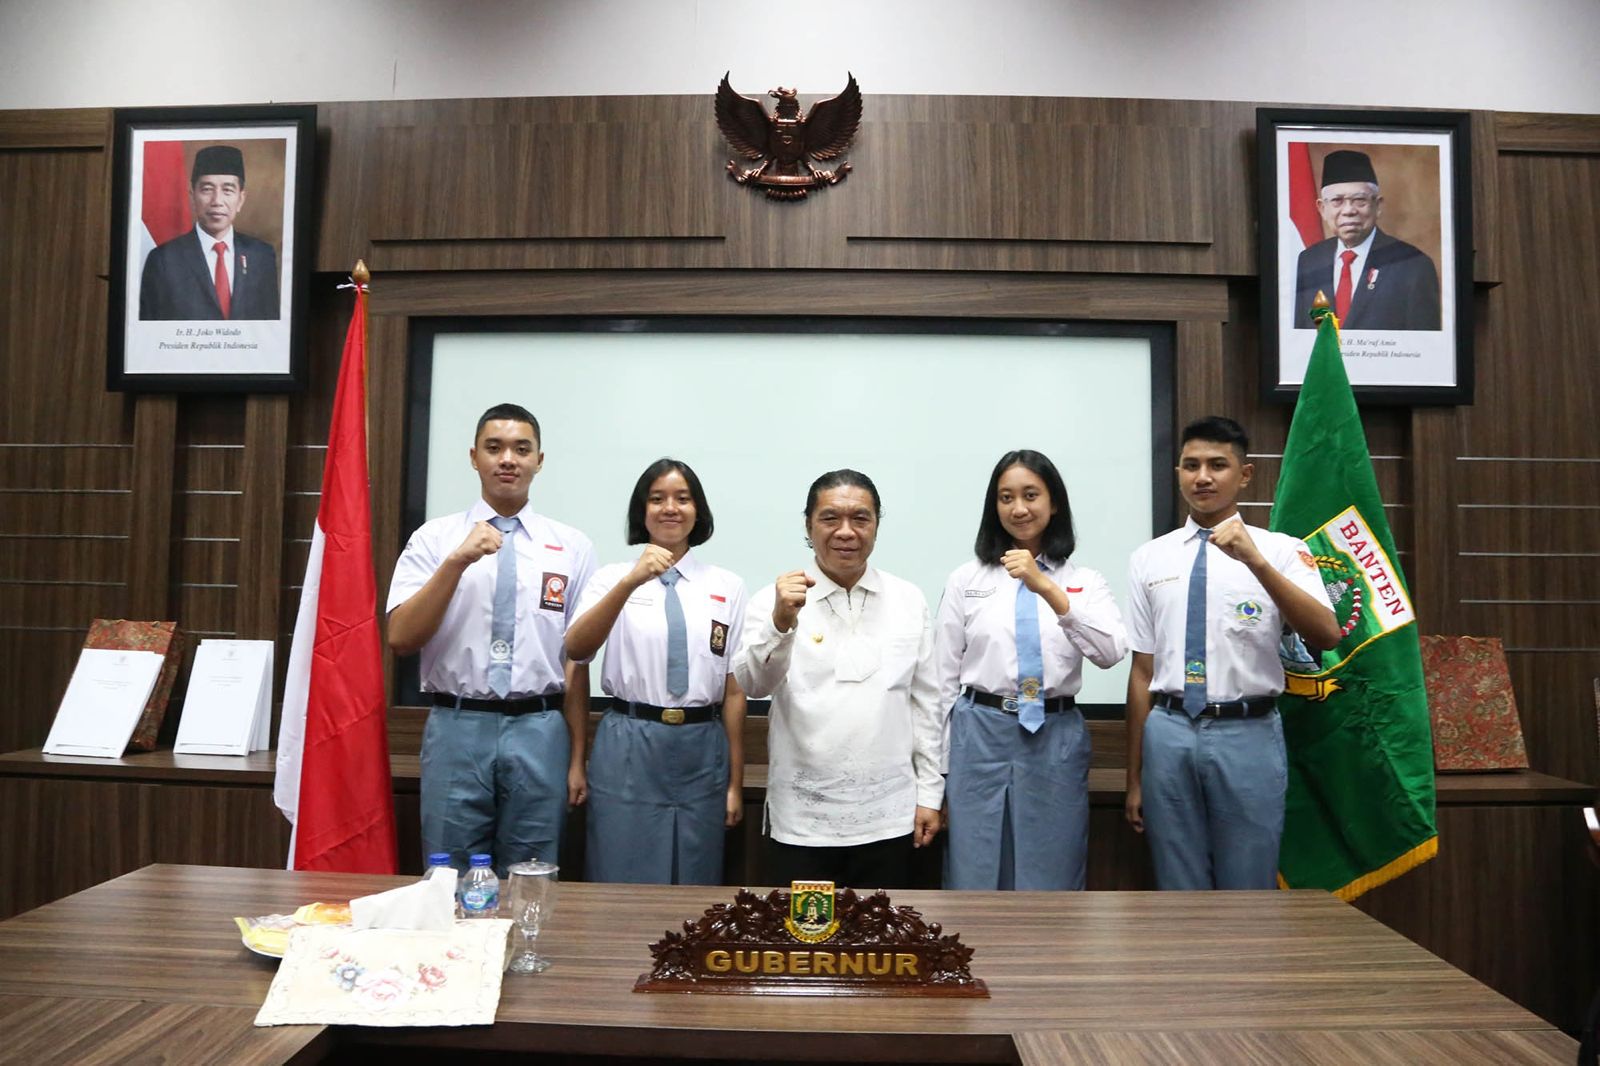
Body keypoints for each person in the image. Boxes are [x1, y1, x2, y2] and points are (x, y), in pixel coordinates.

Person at [1123, 416, 1340, 890]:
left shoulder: (1281, 551)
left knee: (1249, 885)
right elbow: (1142, 672)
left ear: (1244, 474)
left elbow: (1326, 633)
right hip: (1169, 730)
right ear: (1178, 472)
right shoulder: (1149, 558)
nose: (1203, 477)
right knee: (1176, 884)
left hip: (1248, 731)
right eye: (1191, 465)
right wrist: (1135, 777)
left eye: (1218, 465)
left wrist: (1255, 562)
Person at [385, 403, 595, 875]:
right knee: (449, 870)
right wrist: (457, 561)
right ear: (474, 456)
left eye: (522, 449)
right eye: (494, 448)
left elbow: (577, 661)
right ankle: (455, 954)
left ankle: (524, 952)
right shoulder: (436, 538)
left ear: (540, 460)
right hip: (459, 724)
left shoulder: (572, 547)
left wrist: (577, 757)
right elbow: (400, 637)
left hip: (540, 728)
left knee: (532, 870)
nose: (508, 459)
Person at [733, 469, 943, 889]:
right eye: (830, 518)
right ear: (809, 526)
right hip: (802, 823)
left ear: (877, 526)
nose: (846, 531)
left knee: (886, 952)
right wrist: (781, 622)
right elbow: (755, 685)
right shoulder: (774, 600)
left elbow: (926, 706)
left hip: (891, 818)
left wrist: (930, 795)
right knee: (805, 953)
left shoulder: (908, 599)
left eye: (860, 518)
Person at [935, 450, 1127, 891]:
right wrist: (937, 773)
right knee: (975, 867)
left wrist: (1048, 589)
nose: (1018, 508)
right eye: (1006, 498)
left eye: (1030, 495)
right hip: (978, 733)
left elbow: (1111, 652)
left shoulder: (1086, 582)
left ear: (1054, 502)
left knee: (1052, 869)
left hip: (1054, 734)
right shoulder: (968, 580)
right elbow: (942, 680)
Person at [565, 458, 749, 885]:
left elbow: (735, 690)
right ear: (641, 511)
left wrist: (735, 784)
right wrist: (631, 582)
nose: (671, 508)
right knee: (619, 872)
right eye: (657, 498)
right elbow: (577, 649)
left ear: (698, 511)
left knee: (696, 879)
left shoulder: (726, 586)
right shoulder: (610, 578)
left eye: (683, 499)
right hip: (629, 742)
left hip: (702, 746)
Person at [1292, 149, 1440, 331]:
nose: (1348, 210)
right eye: (1337, 201)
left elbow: (1423, 348)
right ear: (1322, 209)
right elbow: (1298, 336)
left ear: (1377, 206)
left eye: (1359, 200)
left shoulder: (1413, 266)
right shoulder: (1309, 261)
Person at [139, 144, 280, 321]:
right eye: (207, 189)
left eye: (227, 190)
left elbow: (271, 328)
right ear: (192, 196)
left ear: (241, 199)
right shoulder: (163, 260)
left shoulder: (262, 256)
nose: (217, 201)